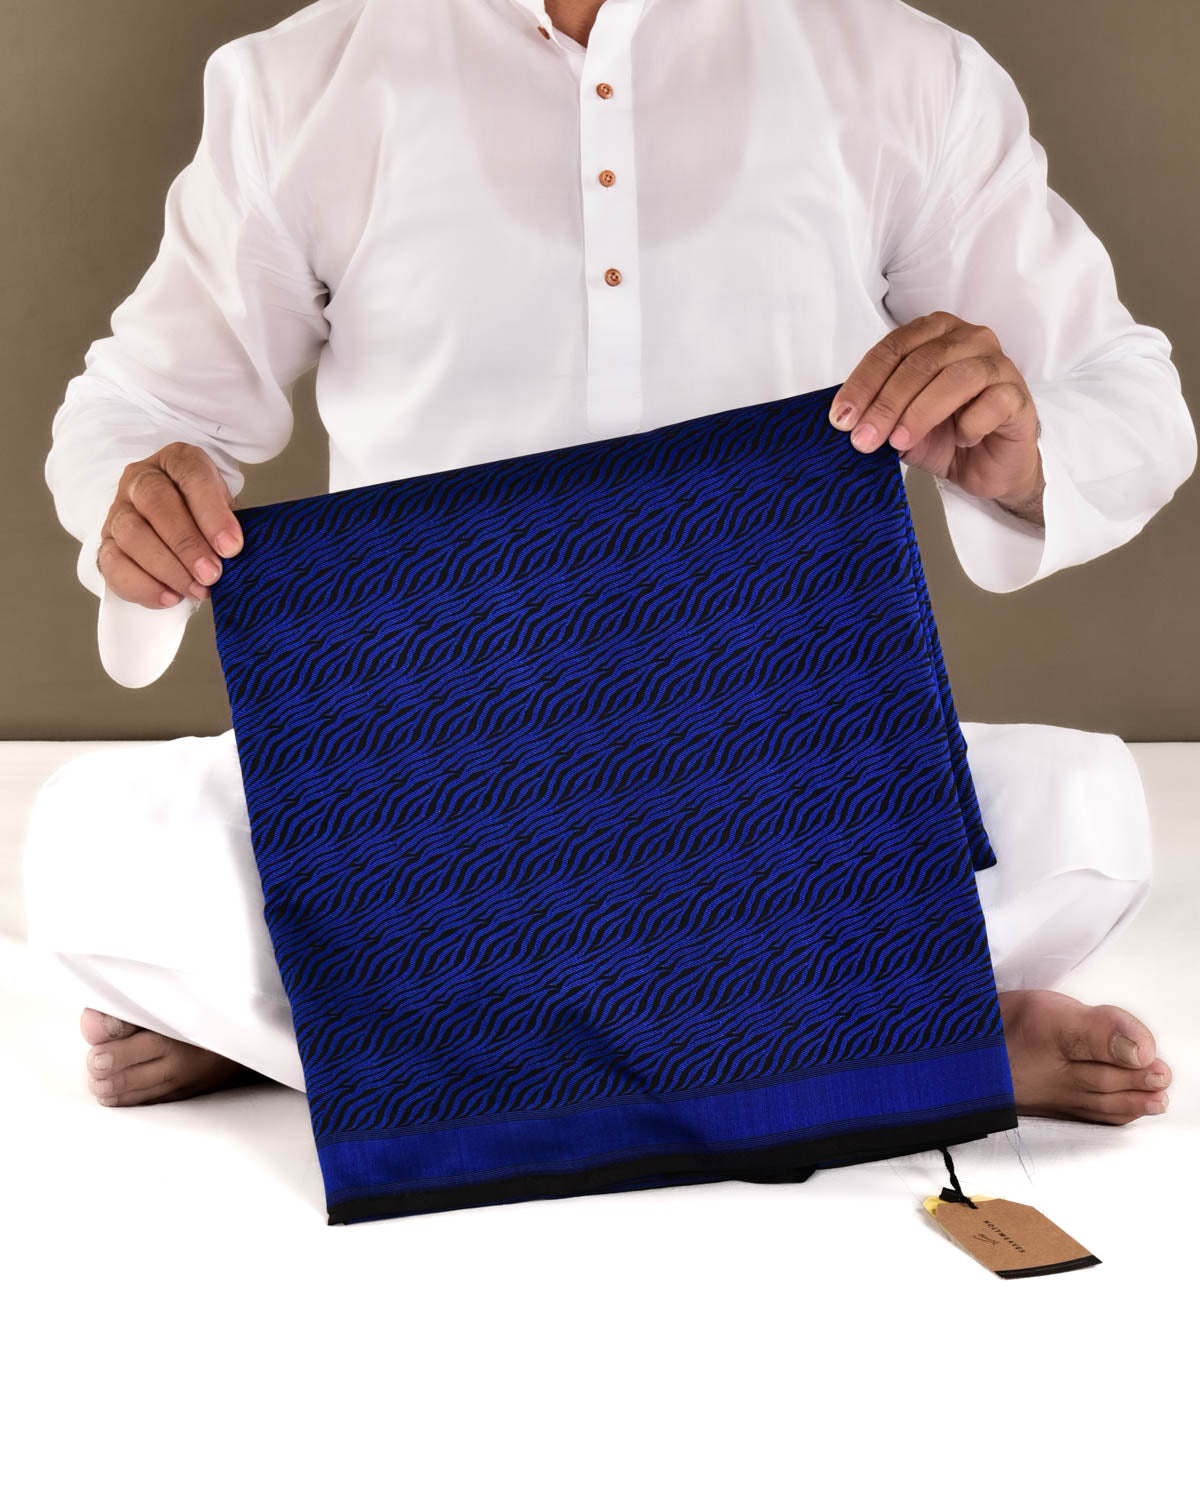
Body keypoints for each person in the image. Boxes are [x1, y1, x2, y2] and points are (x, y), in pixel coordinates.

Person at [27, 0, 1196, 1124]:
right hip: (442, 793)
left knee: (1080, 812)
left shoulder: (901, 70)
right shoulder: (301, 83)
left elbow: (1128, 394)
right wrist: (139, 503)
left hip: (772, 782)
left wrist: (1026, 454)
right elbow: (134, 406)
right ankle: (903, 1021)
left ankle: (316, 1031)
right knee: (95, 843)